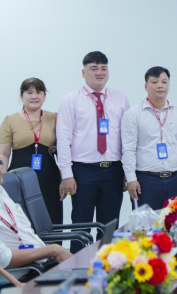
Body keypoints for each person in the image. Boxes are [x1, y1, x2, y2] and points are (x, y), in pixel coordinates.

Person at [56, 51, 129, 253]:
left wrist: (127, 171)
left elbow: (127, 138)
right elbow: (63, 139)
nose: (99, 72)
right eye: (94, 68)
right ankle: (77, 266)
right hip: (83, 171)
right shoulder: (71, 100)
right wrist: (66, 174)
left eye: (104, 68)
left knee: (109, 225)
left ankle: (107, 264)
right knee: (81, 224)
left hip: (113, 170)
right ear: (83, 72)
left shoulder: (120, 98)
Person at [0, 139, 71, 269]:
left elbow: (24, 231)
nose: (2, 168)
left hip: (43, 263)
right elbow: (4, 259)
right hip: (27, 272)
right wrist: (53, 250)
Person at [122, 67, 177, 210]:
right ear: (146, 86)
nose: (160, 85)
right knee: (146, 223)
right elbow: (128, 149)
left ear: (169, 86)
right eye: (154, 82)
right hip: (145, 181)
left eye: (164, 82)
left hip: (174, 180)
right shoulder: (133, 114)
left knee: (175, 221)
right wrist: (131, 178)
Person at [0, 78, 62, 225]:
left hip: (50, 178)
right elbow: (3, 154)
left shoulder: (55, 118)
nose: (34, 96)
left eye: (39, 92)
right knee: (22, 221)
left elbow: (63, 152)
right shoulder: (10, 120)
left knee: (51, 219)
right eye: (29, 92)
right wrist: (1, 181)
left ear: (44, 96)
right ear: (21, 96)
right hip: (19, 179)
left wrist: (64, 179)